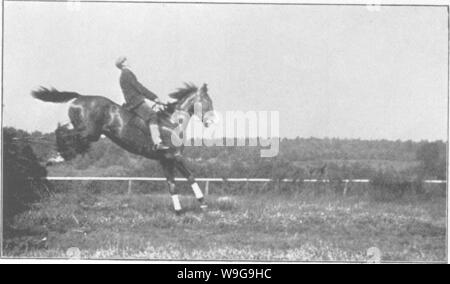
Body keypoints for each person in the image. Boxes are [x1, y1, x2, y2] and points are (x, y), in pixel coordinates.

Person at [116, 56, 168, 150]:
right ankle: (157, 142)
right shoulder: (127, 73)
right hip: (136, 102)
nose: (128, 61)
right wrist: (154, 97)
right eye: (126, 60)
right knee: (152, 116)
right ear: (123, 63)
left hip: (133, 101)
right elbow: (139, 87)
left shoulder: (123, 75)